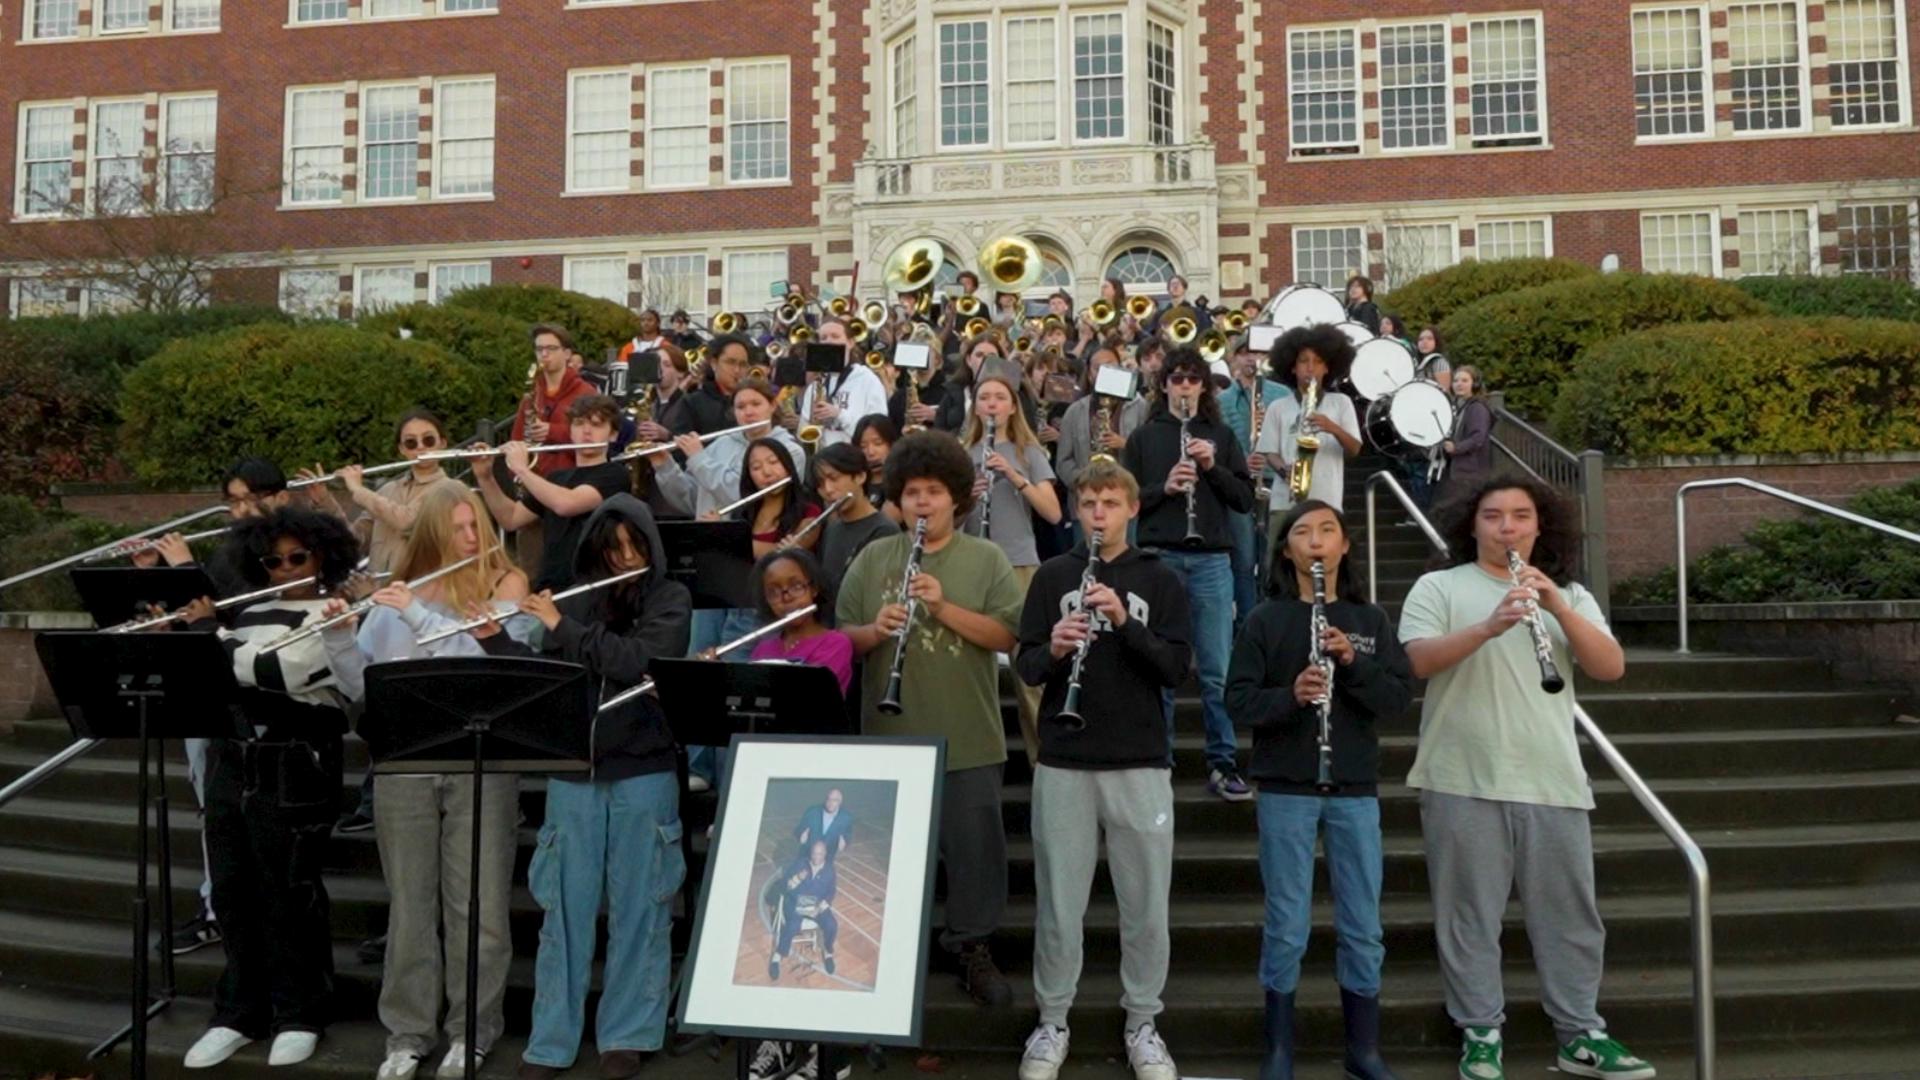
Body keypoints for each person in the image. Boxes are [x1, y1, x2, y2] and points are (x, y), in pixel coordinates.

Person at [1399, 477, 1651, 1080]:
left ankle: (1580, 1034)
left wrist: (1556, 606)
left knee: (1570, 916)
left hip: (1551, 776)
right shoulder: (1439, 585)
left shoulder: (1570, 594)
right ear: (1473, 525)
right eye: (1493, 516)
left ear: (1540, 527)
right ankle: (1481, 1031)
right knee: (1468, 916)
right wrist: (1489, 626)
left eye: (1519, 516)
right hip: (1460, 774)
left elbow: (1610, 667)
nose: (1507, 527)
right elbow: (1417, 661)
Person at [319, 481, 531, 1079]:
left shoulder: (497, 588)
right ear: (435, 533)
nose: (472, 538)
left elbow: (484, 664)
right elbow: (362, 685)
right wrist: (338, 638)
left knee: (479, 907)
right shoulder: (395, 597)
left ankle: (472, 1030)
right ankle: (407, 1033)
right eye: (460, 529)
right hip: (405, 763)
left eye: (476, 528)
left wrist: (413, 610)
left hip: (481, 764)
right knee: (410, 906)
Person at [475, 495, 691, 1080]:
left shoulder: (670, 598)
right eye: (612, 549)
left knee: (641, 906)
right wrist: (498, 640)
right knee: (562, 910)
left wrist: (563, 626)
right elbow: (547, 684)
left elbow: (642, 661)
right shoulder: (578, 599)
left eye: (634, 548)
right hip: (573, 769)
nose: (624, 559)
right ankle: (550, 1041)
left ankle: (627, 1033)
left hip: (643, 768)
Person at [1013, 461, 1192, 1080]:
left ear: (1131, 509)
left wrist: (1124, 620)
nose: (1097, 514)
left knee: (1146, 903)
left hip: (1140, 759)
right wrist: (1054, 648)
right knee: (1059, 903)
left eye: (1109, 503)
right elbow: (1026, 665)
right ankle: (1052, 1019)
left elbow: (1177, 670)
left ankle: (1143, 1020)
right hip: (1063, 759)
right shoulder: (1053, 576)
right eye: (1088, 502)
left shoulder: (1159, 577)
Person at [1224, 500, 1413, 1080]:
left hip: (1354, 787)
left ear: (1344, 546)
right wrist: (1293, 696)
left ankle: (1364, 1050)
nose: (1315, 541)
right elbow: (1236, 701)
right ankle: (1278, 1048)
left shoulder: (1370, 620)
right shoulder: (1264, 619)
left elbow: (1396, 700)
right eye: (1302, 533)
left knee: (1363, 923)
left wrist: (1352, 661)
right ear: (1286, 551)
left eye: (1327, 531)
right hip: (1287, 787)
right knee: (1287, 923)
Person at [838, 431, 1024, 1007]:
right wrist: (876, 631)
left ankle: (970, 947)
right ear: (897, 498)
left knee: (974, 855)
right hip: (891, 737)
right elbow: (841, 637)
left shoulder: (986, 558)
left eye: (935, 492)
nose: (923, 502)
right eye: (912, 492)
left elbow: (1010, 637)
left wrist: (943, 608)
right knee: (887, 856)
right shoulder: (873, 557)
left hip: (968, 736)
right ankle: (889, 955)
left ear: (957, 499)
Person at [175, 507, 359, 1070]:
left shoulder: (333, 613)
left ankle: (299, 1011)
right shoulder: (247, 612)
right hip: (235, 761)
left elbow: (280, 670)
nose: (284, 569)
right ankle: (239, 1011)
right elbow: (221, 673)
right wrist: (183, 635)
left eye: (297, 558)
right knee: (231, 889)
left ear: (322, 556)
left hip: (296, 764)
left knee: (288, 892)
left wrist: (210, 637)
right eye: (271, 560)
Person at [1121, 348, 1256, 803]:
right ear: (1163, 386)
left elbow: (1243, 498)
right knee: (1158, 665)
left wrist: (1211, 467)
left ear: (1203, 386)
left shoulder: (1219, 434)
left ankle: (1223, 762)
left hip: (1212, 560)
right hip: (1159, 558)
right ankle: (1160, 760)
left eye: (1192, 379)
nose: (1183, 386)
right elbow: (1128, 499)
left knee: (1216, 670)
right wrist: (1166, 488)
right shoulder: (1144, 437)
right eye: (1176, 379)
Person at [962, 373, 1064, 765]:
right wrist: (966, 499)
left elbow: (1053, 513)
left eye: (998, 397)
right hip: (972, 564)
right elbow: (945, 523)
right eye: (983, 397)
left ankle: (1049, 766)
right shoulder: (961, 450)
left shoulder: (1027, 451)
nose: (990, 404)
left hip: (1019, 563)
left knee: (1030, 673)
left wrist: (1012, 475)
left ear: (1012, 405)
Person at [473, 395, 632, 592]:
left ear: (613, 434)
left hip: (590, 590)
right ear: (571, 431)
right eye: (579, 424)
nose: (587, 431)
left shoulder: (615, 474)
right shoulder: (556, 478)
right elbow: (511, 518)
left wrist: (522, 469)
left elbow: (567, 504)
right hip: (548, 588)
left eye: (597, 425)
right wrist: (485, 477)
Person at [1219, 336, 1292, 624]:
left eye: (1257, 353)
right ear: (1233, 359)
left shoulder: (1281, 394)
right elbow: (1219, 443)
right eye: (1244, 353)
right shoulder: (1222, 400)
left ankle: (1273, 617)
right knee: (1244, 559)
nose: (1250, 358)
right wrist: (1241, 463)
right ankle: (1248, 620)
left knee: (1273, 557)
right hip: (1240, 486)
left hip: (1275, 481)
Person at [1256, 324, 1363, 520]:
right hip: (1284, 503)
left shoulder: (1341, 402)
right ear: (1293, 368)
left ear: (1327, 368)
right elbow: (1270, 452)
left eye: (1318, 361)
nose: (1311, 368)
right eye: (1303, 361)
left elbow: (1354, 449)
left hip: (1327, 502)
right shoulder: (1278, 406)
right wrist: (1283, 470)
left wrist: (1332, 428)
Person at [512, 324, 600, 475]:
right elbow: (517, 437)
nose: (544, 354)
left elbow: (596, 439)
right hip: (534, 479)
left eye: (551, 348)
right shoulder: (532, 393)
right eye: (539, 349)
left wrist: (552, 431)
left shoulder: (586, 392)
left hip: (573, 479)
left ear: (567, 354)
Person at [812, 443, 900, 589]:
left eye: (834, 478)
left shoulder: (884, 531)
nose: (828, 490)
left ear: (860, 476)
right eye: (820, 484)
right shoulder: (833, 528)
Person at [1052, 347, 1134, 498]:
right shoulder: (1074, 411)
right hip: (1085, 500)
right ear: (1089, 375)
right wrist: (1084, 481)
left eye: (1110, 366)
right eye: (1098, 368)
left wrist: (1127, 444)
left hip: (1128, 499)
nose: (1104, 373)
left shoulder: (1140, 407)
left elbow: (1150, 455)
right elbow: (1063, 462)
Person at [800, 318, 891, 449]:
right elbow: (804, 429)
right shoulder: (816, 384)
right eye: (823, 338)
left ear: (850, 342)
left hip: (855, 455)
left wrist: (839, 415)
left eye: (835, 336)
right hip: (824, 458)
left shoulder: (867, 380)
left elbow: (879, 429)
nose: (829, 341)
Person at [727, 437, 820, 558]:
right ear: (749, 476)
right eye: (756, 467)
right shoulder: (741, 514)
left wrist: (725, 538)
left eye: (773, 462)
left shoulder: (809, 513)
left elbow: (783, 554)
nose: (767, 472)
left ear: (788, 466)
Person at [768, 839, 839, 982]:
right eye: (814, 853)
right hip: (796, 902)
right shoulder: (800, 864)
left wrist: (824, 903)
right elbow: (783, 885)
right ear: (810, 853)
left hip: (816, 904)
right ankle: (778, 956)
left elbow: (831, 891)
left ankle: (828, 951)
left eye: (820, 854)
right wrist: (797, 878)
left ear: (825, 853)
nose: (816, 857)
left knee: (832, 925)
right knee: (792, 926)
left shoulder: (830, 871)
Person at [667, 333, 753, 436]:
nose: (737, 370)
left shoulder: (754, 401)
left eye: (743, 364)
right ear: (714, 363)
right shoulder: (693, 402)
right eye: (730, 362)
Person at [1436, 366, 1494, 508]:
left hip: (1471, 472)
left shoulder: (1477, 408)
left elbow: (1478, 438)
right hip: (1460, 471)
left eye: (1464, 380)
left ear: (1474, 384)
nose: (1459, 384)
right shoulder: (1462, 406)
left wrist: (1456, 447)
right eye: (1456, 381)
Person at [791, 784, 855, 861]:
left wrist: (844, 842)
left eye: (834, 800)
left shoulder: (846, 818)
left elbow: (847, 835)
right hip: (807, 855)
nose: (830, 803)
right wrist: (801, 835)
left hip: (827, 859)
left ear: (840, 802)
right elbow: (799, 829)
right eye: (829, 799)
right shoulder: (813, 812)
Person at [853, 414, 899, 509]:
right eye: (863, 446)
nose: (870, 452)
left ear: (892, 444)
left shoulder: (901, 482)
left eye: (878, 443)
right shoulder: (855, 485)